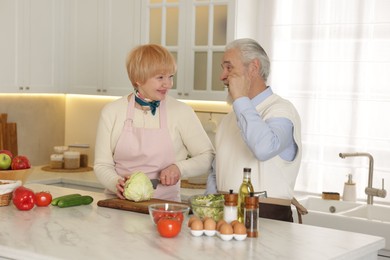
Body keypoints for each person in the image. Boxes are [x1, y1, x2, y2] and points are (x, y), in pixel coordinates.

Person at [94, 44, 215, 202]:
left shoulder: (181, 111)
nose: (168, 84)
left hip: (165, 207)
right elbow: (102, 164)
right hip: (119, 207)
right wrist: (115, 183)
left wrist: (179, 168)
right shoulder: (112, 112)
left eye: (171, 76)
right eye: (160, 77)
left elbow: (207, 156)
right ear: (139, 79)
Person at [206, 38, 304, 222]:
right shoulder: (229, 119)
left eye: (229, 68)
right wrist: (208, 207)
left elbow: (264, 148)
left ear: (253, 68)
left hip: (267, 219)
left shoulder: (281, 110)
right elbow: (216, 171)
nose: (222, 76)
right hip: (224, 216)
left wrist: (241, 99)